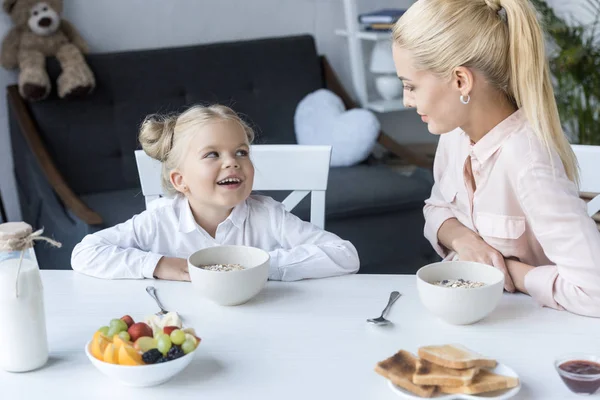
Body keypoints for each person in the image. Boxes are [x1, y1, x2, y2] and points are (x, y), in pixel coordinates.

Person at [392, 0, 600, 317]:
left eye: (411, 86)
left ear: (461, 80)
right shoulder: (454, 135)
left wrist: (509, 272)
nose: (407, 101)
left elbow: (594, 291)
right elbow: (437, 207)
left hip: (531, 323)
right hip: (470, 313)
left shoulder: (528, 161)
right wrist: (464, 240)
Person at [71, 105, 359, 281]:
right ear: (180, 180)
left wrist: (259, 267)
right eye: (212, 154)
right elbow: (85, 253)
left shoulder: (269, 216)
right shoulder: (160, 221)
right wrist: (159, 265)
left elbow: (345, 255)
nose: (232, 161)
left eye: (241, 152)